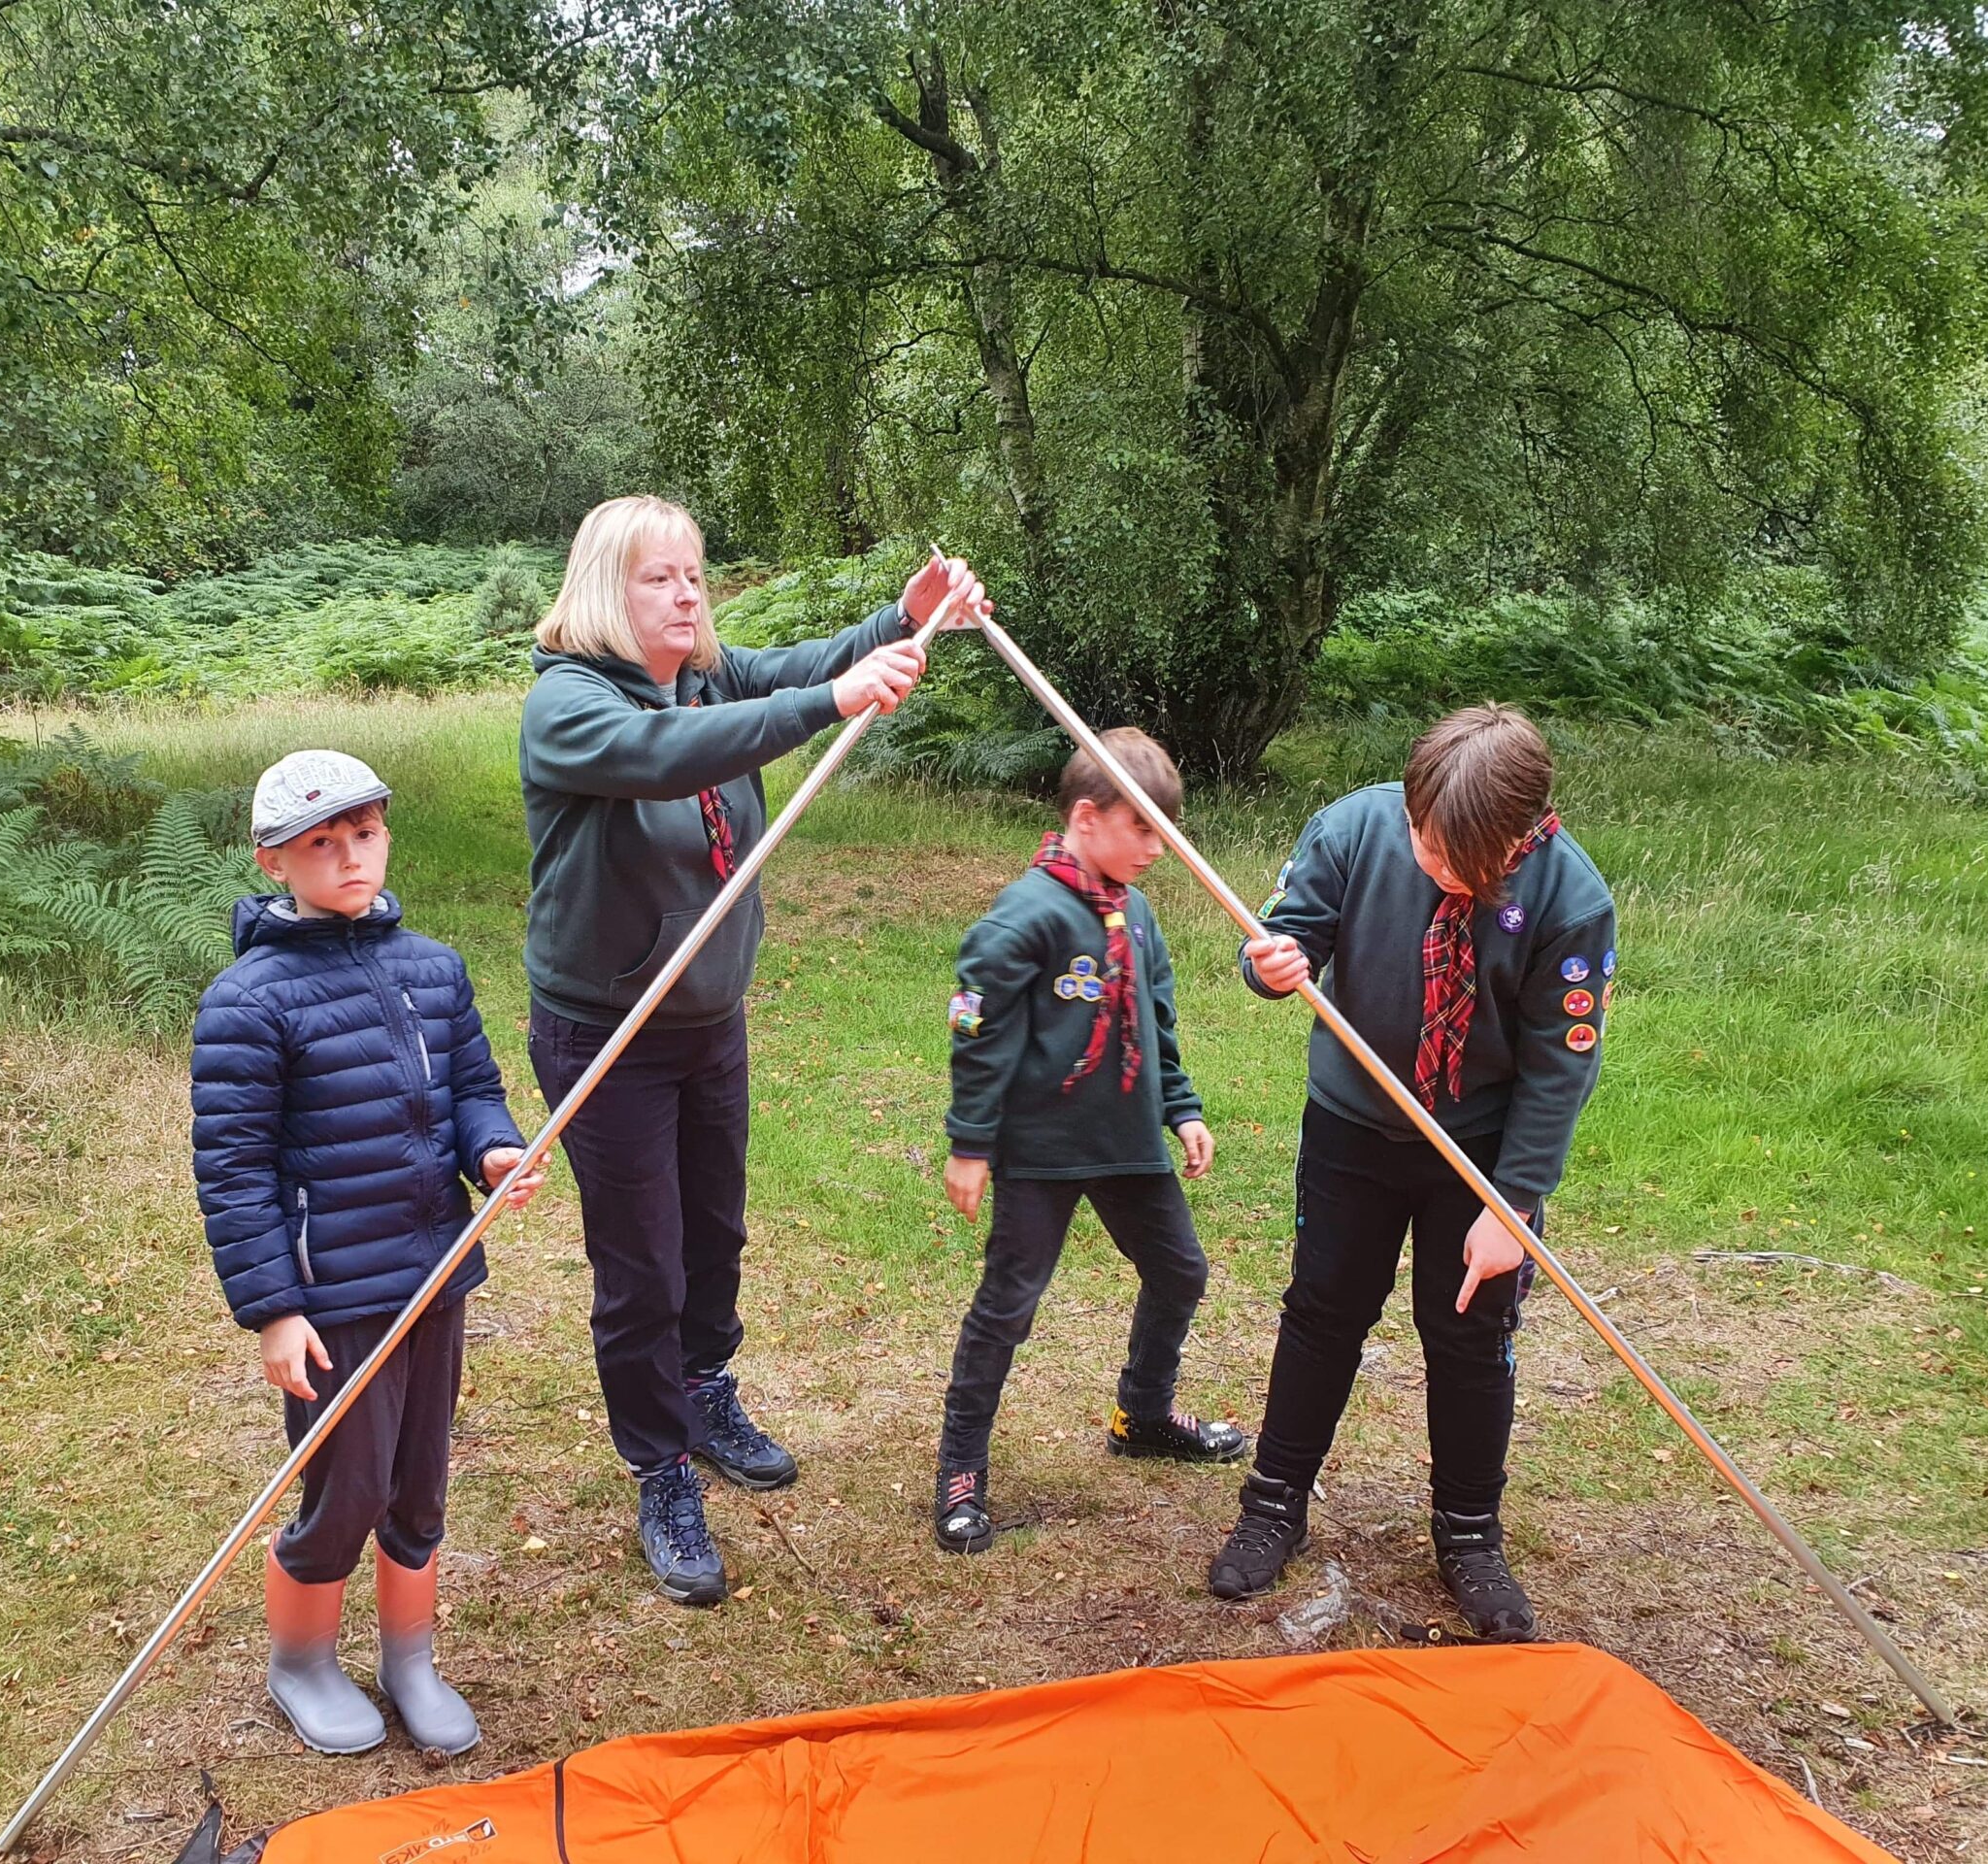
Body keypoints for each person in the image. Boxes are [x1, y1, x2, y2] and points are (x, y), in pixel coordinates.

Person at [519, 494, 987, 1606]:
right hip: (607, 1031)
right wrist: (829, 703)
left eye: (694, 574)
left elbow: (797, 666)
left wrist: (900, 620)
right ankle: (660, 1467)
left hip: (706, 1021)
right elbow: (668, 754)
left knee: (714, 1232)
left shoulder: (706, 674)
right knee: (642, 1262)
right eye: (659, 577)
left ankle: (702, 1390)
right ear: (605, 590)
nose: (687, 594)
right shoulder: (567, 705)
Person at [1210, 704, 1614, 1640]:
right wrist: (1272, 963)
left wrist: (1512, 1204)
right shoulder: (1357, 828)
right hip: (1352, 1129)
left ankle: (1469, 1534)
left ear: (1521, 836)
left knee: (1470, 1334)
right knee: (1323, 1313)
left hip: (1480, 1155)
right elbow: (1284, 935)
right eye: (1426, 845)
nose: (1437, 868)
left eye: (1461, 862)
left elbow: (1561, 1065)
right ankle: (1274, 1503)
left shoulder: (1570, 899)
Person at [190, 749, 542, 1755]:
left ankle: (408, 1658)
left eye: (366, 834)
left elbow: (472, 1088)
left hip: (433, 1271)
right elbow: (234, 1170)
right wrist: (275, 1308)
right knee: (346, 1486)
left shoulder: (433, 968)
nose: (350, 858)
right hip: (333, 1291)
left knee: (419, 1482)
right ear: (272, 862)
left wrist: (492, 1148)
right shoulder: (248, 1002)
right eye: (321, 843)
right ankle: (300, 1663)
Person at [932, 727, 1248, 1555]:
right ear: (1086, 817)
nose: (1157, 848)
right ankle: (961, 1469)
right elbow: (979, 1032)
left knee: (1180, 1272)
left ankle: (1142, 1415)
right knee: (1008, 1306)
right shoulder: (1025, 915)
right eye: (1142, 827)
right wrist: (971, 1143)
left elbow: (1156, 1022)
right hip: (1041, 1151)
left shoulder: (1135, 913)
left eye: (1163, 830)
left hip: (1127, 1142)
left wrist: (1182, 1108)